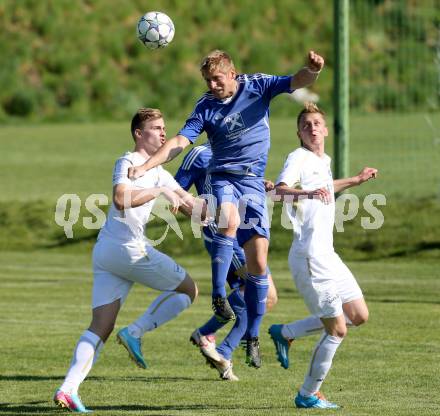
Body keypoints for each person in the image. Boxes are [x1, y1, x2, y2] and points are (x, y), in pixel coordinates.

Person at [128, 49, 324, 367]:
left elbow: (295, 81)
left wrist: (312, 71)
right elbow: (180, 141)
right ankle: (219, 296)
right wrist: (146, 165)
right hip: (223, 178)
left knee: (259, 262)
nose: (212, 85)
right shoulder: (205, 105)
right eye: (207, 80)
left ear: (232, 74)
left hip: (254, 182)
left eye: (216, 79)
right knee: (228, 220)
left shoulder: (258, 85)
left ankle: (252, 337)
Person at [53, 108, 202, 413]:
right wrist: (159, 191)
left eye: (164, 128)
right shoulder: (128, 161)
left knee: (100, 326)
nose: (163, 133)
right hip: (127, 249)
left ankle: (68, 389)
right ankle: (135, 332)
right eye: (156, 128)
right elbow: (121, 199)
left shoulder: (159, 171)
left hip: (108, 252)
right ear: (138, 133)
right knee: (188, 290)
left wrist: (241, 198)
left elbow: (194, 208)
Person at [268, 103, 378, 409]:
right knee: (337, 329)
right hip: (309, 257)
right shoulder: (298, 157)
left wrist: (355, 180)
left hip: (328, 255)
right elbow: (278, 191)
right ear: (299, 133)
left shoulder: (323, 159)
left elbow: (325, 187)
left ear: (326, 130)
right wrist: (307, 194)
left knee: (358, 315)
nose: (313, 127)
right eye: (306, 125)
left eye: (317, 123)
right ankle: (307, 394)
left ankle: (286, 332)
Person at [174, 142, 278, 380]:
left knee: (264, 296)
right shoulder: (200, 154)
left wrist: (259, 185)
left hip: (247, 234)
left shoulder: (243, 148)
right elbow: (176, 190)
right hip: (224, 238)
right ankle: (211, 337)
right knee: (264, 293)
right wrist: (195, 212)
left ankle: (217, 344)